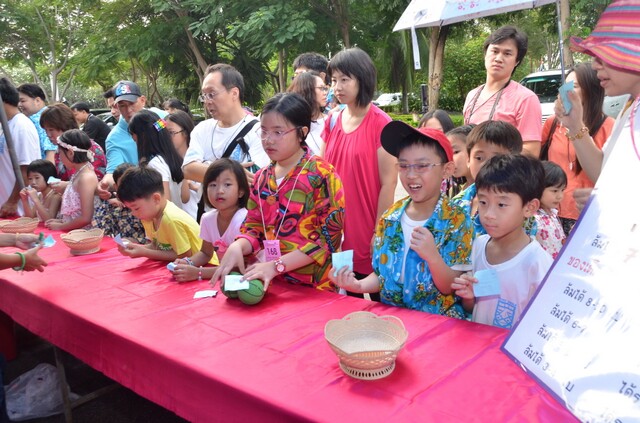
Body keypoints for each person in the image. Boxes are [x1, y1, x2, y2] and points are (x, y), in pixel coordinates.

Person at [330, 123, 473, 318]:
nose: (411, 175)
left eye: (422, 166)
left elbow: (451, 287)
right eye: (404, 166)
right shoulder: (390, 218)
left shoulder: (457, 221)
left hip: (438, 325)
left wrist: (432, 257)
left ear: (446, 170)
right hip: (393, 324)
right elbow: (382, 276)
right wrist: (358, 285)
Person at [211, 93, 345, 291]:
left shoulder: (323, 175)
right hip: (273, 283)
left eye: (278, 132)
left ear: (301, 132)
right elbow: (253, 226)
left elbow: (326, 242)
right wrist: (238, 246)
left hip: (316, 287)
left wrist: (275, 266)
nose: (268, 140)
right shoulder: (262, 177)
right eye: (264, 131)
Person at [321, 47, 396, 299]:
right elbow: (322, 173)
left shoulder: (381, 124)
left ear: (362, 79)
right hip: (335, 228)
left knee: (377, 300)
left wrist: (379, 231)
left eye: (345, 79)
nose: (337, 87)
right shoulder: (332, 120)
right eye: (333, 80)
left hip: (366, 228)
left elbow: (389, 183)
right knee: (343, 301)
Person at [555, 0, 640, 211]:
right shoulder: (630, 106)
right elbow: (604, 172)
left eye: (603, 56)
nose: (594, 65)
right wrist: (575, 125)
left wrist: (615, 200)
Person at [452, 154, 553, 329]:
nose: (489, 214)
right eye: (483, 202)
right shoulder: (478, 246)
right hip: (478, 342)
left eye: (501, 205)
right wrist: (468, 297)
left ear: (529, 208)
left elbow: (543, 322)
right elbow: (474, 308)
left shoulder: (537, 263)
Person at [542, 63, 614, 236]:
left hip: (587, 214)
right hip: (551, 213)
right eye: (564, 86)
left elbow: (610, 176)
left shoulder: (609, 126)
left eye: (573, 86)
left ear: (592, 90)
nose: (565, 92)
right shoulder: (552, 123)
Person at [182, 64, 268, 188]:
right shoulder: (202, 129)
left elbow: (253, 179)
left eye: (212, 94)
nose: (207, 101)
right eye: (204, 95)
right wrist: (230, 172)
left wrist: (206, 168)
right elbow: (188, 170)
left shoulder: (259, 131)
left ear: (234, 93)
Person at [463, 26, 542, 157]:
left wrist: (492, 156)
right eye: (495, 51)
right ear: (485, 54)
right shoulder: (472, 95)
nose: (499, 58)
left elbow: (531, 151)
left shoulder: (525, 98)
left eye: (507, 54)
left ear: (517, 61)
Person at [172, 159, 249, 282]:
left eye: (227, 185)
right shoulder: (208, 219)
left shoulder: (244, 220)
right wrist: (187, 262)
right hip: (225, 280)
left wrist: (198, 273)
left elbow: (240, 267)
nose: (219, 191)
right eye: (213, 185)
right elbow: (206, 253)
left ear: (241, 191)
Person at [451, 120, 528, 237]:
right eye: (479, 158)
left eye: (496, 158)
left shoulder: (521, 207)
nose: (486, 165)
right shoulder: (456, 203)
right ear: (468, 160)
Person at [96, 80, 166, 202]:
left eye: (132, 103)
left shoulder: (160, 119)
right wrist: (106, 183)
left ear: (142, 100)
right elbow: (113, 172)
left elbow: (172, 135)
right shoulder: (114, 138)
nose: (128, 110)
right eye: (122, 105)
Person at [116, 166, 201, 261]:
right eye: (130, 209)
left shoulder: (171, 220)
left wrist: (144, 252)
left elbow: (184, 256)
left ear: (156, 199)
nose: (133, 213)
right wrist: (135, 247)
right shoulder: (149, 217)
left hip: (202, 266)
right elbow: (157, 246)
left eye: (136, 208)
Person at [128, 110, 197, 219]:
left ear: (141, 136)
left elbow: (164, 205)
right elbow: (185, 197)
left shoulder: (155, 164)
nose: (133, 139)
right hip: (179, 220)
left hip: (166, 224)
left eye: (133, 134)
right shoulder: (176, 158)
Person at [0, 77, 41, 218]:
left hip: (19, 210)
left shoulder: (21, 126)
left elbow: (26, 169)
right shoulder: (6, 125)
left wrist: (12, 202)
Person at [44, 130, 98, 231]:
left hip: (83, 234)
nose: (59, 157)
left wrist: (61, 226)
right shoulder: (79, 173)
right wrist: (62, 221)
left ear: (70, 153)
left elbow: (86, 218)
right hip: (74, 231)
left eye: (60, 153)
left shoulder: (86, 178)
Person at [39, 103, 107, 182]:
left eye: (51, 130)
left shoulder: (87, 148)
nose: (48, 135)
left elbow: (96, 183)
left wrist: (66, 186)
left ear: (65, 126)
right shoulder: (59, 150)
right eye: (46, 130)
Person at [92, 163, 146, 243]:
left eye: (131, 184)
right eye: (123, 185)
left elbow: (154, 241)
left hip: (142, 248)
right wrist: (108, 203)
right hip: (117, 247)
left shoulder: (144, 205)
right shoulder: (111, 206)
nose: (127, 188)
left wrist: (136, 241)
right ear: (116, 186)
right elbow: (98, 231)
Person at [166, 111, 199, 218]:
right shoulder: (164, 164)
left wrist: (194, 187)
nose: (166, 138)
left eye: (171, 133)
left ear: (185, 133)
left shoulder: (200, 161)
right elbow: (154, 127)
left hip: (199, 219)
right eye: (164, 134)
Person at [287, 71, 328, 156]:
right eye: (321, 88)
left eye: (325, 88)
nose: (325, 92)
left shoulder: (332, 120)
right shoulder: (292, 125)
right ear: (307, 90)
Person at [16, 83, 57, 162]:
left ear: (37, 100)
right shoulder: (32, 119)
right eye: (18, 101)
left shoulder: (43, 119)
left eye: (22, 101)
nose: (19, 105)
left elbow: (51, 152)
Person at [535, 161, 566, 259]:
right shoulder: (532, 218)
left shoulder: (552, 213)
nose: (560, 196)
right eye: (555, 191)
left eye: (562, 190)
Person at [446, 124, 475, 196]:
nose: (449, 159)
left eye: (455, 152)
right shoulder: (456, 190)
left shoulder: (488, 190)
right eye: (446, 154)